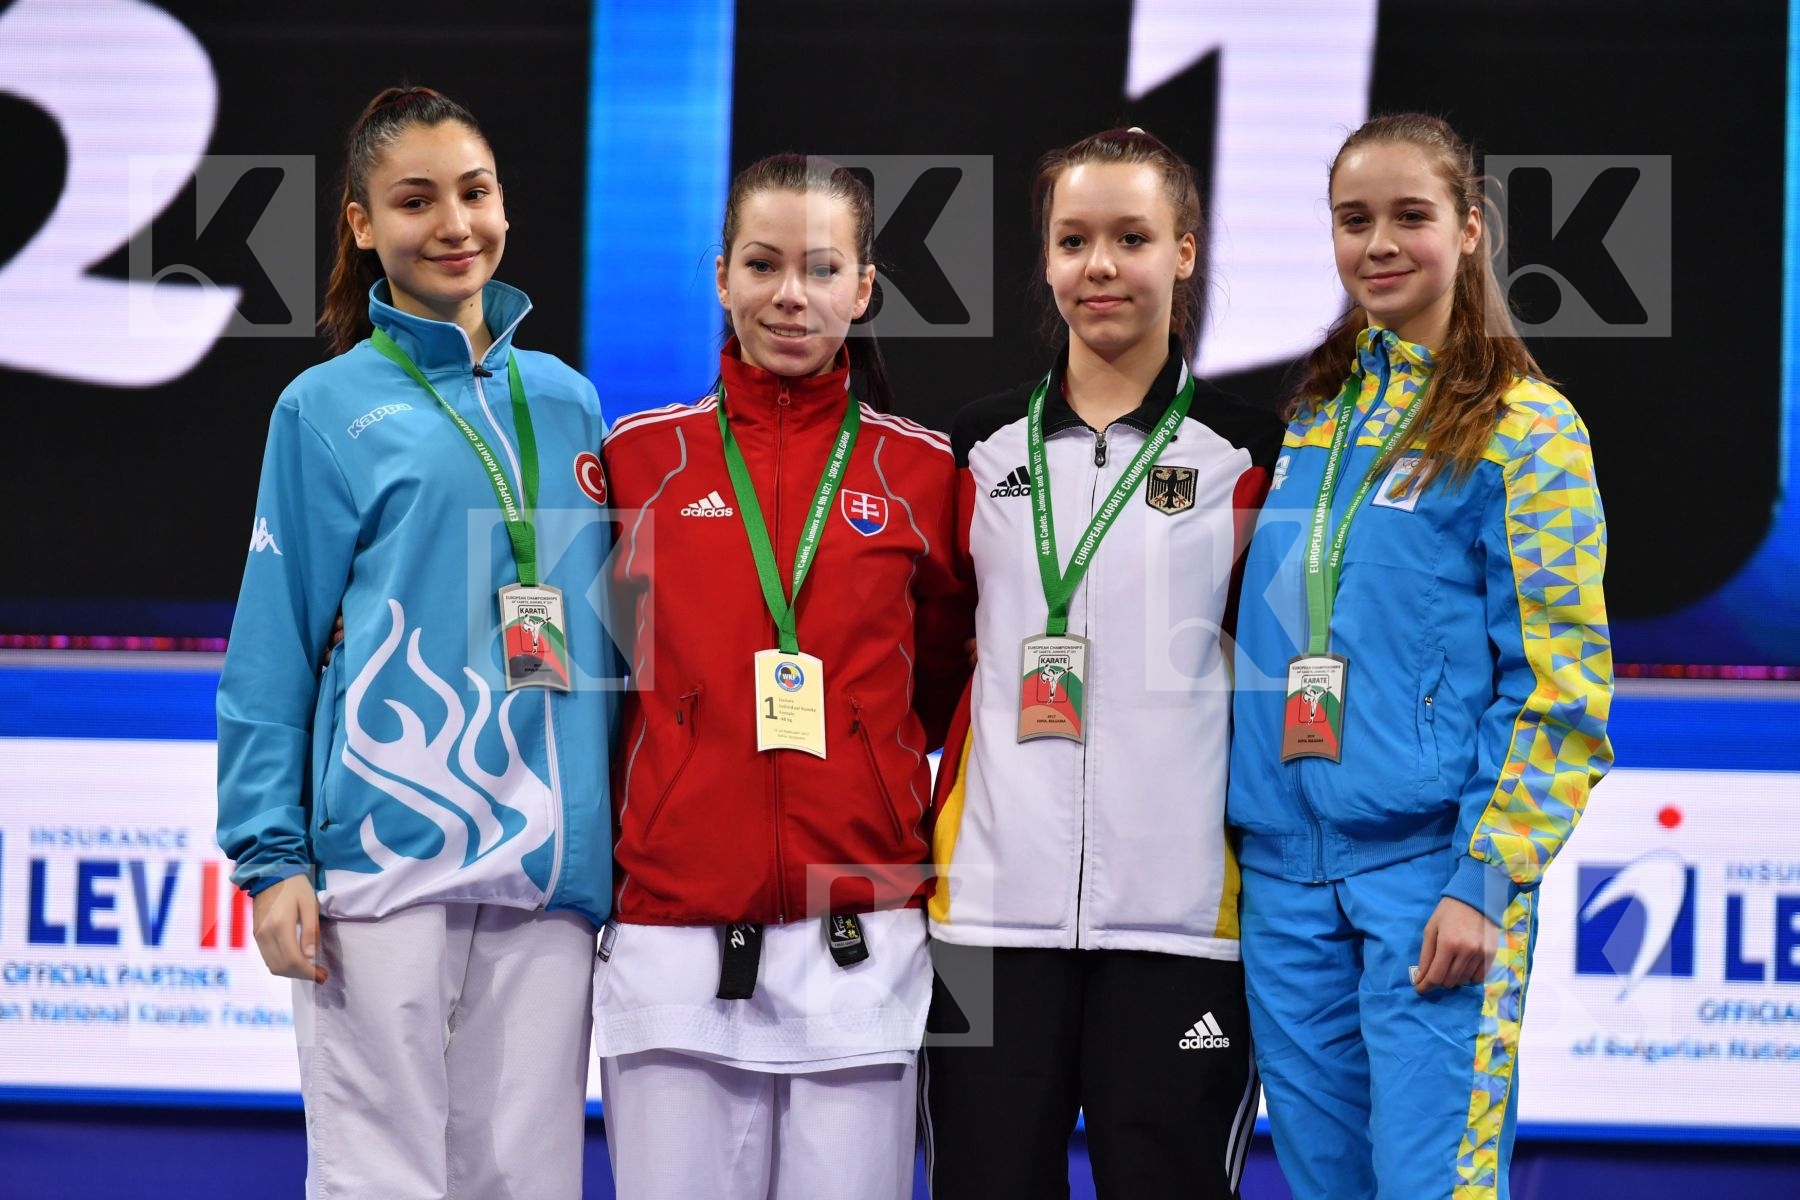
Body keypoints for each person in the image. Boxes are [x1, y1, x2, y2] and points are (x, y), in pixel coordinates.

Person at [215, 85, 614, 1199]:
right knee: (381, 1176)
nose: (454, 225)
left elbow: (607, 639)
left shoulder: (571, 400)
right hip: (387, 856)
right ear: (359, 224)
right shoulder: (325, 408)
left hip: (547, 871)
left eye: (474, 193)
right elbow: (274, 646)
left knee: (525, 1178)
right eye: (415, 200)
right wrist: (272, 856)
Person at [1226, 113, 1614, 1199]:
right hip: (1285, 881)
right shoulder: (1315, 414)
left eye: (1411, 216)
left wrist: (1485, 881)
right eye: (1356, 221)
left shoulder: (1526, 429)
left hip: (1432, 880)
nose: (1379, 243)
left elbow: (1562, 685)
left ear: (1472, 230)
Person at [594, 153, 972, 1200]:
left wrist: (854, 749)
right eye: (762, 265)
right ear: (722, 278)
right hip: (672, 931)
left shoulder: (925, 474)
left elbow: (937, 684)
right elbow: (603, 674)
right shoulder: (637, 464)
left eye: (820, 268)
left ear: (864, 287)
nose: (789, 294)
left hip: (858, 936)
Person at [923, 128, 1283, 1199]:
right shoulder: (974, 448)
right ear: (1044, 258)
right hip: (987, 920)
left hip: (1184, 926)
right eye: (1074, 239)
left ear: (1184, 250)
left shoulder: (1254, 455)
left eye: (1132, 237)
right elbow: (933, 662)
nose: (1101, 266)